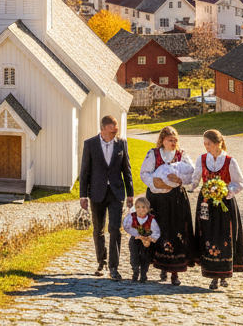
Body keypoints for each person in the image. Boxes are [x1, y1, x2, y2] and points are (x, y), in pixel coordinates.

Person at [79, 115, 135, 280]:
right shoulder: (90, 144)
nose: (115, 134)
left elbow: (127, 169)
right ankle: (101, 262)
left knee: (114, 229)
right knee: (98, 230)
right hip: (96, 192)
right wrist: (83, 195)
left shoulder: (121, 143)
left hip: (116, 192)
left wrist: (130, 193)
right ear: (103, 129)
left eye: (116, 130)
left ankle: (114, 267)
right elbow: (85, 172)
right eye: (112, 131)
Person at [192, 129, 243, 290]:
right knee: (208, 235)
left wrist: (226, 191)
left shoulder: (230, 161)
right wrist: (190, 185)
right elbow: (195, 179)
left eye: (208, 143)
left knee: (224, 237)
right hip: (206, 203)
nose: (206, 146)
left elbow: (239, 182)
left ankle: (223, 273)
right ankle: (213, 275)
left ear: (218, 143)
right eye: (204, 143)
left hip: (224, 204)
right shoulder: (201, 159)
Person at [139, 126, 195, 285]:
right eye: (170, 140)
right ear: (162, 140)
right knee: (158, 230)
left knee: (177, 231)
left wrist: (180, 180)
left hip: (176, 199)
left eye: (175, 140)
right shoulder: (153, 154)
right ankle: (157, 265)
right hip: (157, 199)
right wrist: (156, 183)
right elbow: (144, 174)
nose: (173, 142)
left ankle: (175, 272)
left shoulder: (181, 155)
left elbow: (192, 174)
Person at [122, 195, 161, 282]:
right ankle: (135, 271)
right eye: (138, 207)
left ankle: (143, 274)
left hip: (146, 241)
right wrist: (136, 233)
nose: (141, 210)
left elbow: (156, 232)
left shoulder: (151, 220)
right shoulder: (132, 217)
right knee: (134, 255)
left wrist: (150, 237)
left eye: (143, 207)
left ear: (147, 209)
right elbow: (127, 226)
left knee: (145, 256)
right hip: (135, 239)